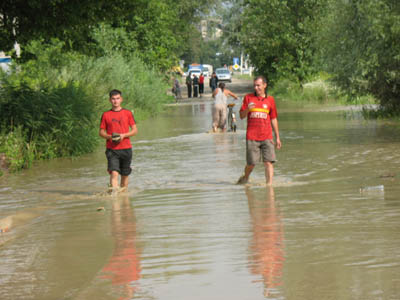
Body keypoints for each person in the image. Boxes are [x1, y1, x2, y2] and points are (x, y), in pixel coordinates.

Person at [237, 76, 281, 185]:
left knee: (268, 163)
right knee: (251, 164)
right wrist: (248, 109)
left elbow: (274, 118)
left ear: (264, 85)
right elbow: (242, 116)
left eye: (258, 85)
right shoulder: (248, 98)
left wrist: (278, 137)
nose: (256, 88)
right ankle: (245, 177)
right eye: (255, 85)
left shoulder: (270, 100)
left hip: (267, 136)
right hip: (252, 137)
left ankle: (269, 185)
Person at [99, 89, 138, 192]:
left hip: (126, 148)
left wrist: (123, 135)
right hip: (112, 149)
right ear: (109, 100)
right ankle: (115, 198)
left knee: (125, 175)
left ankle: (123, 197)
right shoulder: (106, 115)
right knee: (114, 172)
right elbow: (101, 132)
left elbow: (134, 131)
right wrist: (110, 137)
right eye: (113, 99)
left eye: (117, 98)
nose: (115, 101)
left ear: (121, 99)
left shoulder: (128, 113)